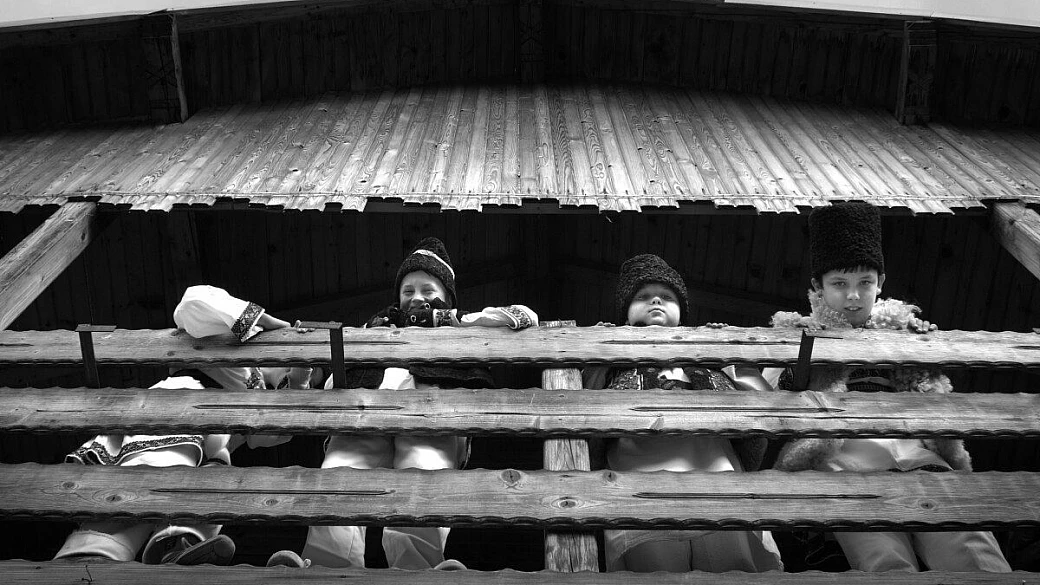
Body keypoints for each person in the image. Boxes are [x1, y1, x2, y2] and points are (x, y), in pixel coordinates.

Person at [769, 202, 1011, 573]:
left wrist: (923, 353)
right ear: (817, 286)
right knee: (882, 560)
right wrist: (804, 358)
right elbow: (776, 392)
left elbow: (934, 392)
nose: (853, 295)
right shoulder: (795, 333)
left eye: (864, 283)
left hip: (916, 451)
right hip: (843, 459)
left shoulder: (904, 331)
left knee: (970, 547)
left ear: (880, 282)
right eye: (839, 284)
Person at [270, 237, 537, 570]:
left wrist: (456, 319)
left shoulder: (460, 322)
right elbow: (338, 372)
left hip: (435, 416)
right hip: (362, 414)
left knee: (423, 476)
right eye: (407, 291)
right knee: (339, 476)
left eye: (427, 289)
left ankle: (417, 571)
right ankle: (326, 568)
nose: (416, 299)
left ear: (447, 295)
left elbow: (525, 318)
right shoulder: (373, 327)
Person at [55, 285, 310, 565]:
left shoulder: (260, 396)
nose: (288, 372)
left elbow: (275, 435)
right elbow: (193, 303)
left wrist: (301, 375)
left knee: (199, 492)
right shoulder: (233, 339)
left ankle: (176, 548)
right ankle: (90, 558)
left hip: (209, 445)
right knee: (146, 483)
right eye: (290, 363)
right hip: (179, 405)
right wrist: (266, 321)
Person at [583, 253, 783, 573]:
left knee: (733, 572)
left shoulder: (706, 358)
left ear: (681, 311)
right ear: (626, 312)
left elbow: (759, 403)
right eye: (643, 296)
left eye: (667, 296)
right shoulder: (612, 358)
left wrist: (726, 348)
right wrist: (600, 349)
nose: (656, 301)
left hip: (718, 485)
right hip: (640, 493)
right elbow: (587, 406)